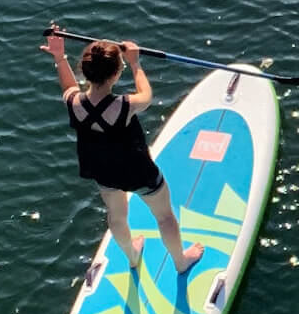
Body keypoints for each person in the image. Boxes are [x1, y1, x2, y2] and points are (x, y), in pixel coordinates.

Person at [42, 28, 204, 275]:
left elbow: (67, 85)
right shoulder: (123, 106)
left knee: (117, 216)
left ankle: (131, 257)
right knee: (165, 217)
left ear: (84, 71)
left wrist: (59, 57)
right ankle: (180, 262)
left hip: (103, 172)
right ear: (116, 74)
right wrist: (136, 63)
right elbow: (147, 96)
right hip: (137, 173)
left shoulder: (74, 103)